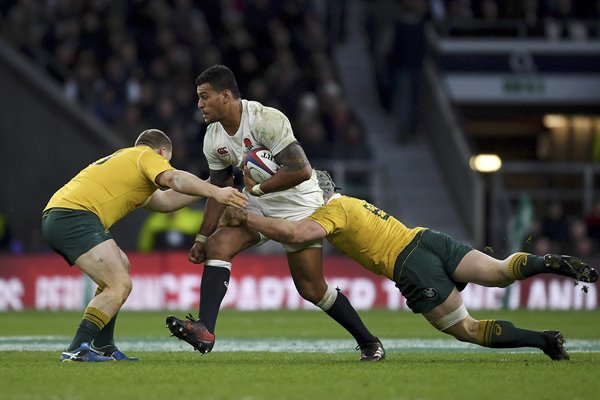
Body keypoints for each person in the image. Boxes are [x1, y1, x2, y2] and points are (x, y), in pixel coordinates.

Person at [218, 170, 599, 361]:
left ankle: (544, 341)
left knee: (466, 328)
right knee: (500, 272)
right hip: (426, 239)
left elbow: (298, 234)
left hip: (410, 267)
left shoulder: (331, 211)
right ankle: (547, 262)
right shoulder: (350, 202)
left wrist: (246, 218)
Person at [166, 65, 384, 361]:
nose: (200, 104)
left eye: (205, 97)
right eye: (199, 97)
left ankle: (370, 342)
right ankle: (205, 329)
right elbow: (219, 190)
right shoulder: (213, 138)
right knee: (219, 244)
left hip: (299, 204)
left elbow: (300, 170)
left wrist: (255, 191)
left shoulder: (266, 119)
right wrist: (203, 237)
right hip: (258, 200)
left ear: (226, 96)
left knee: (312, 289)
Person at [42, 129, 247, 362]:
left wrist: (211, 182)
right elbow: (174, 179)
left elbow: (166, 200)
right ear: (161, 152)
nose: (163, 165)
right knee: (119, 284)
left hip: (64, 215)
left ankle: (102, 345)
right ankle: (77, 348)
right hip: (74, 217)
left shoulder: (128, 162)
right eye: (165, 161)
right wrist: (216, 192)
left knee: (121, 265)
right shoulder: (146, 156)